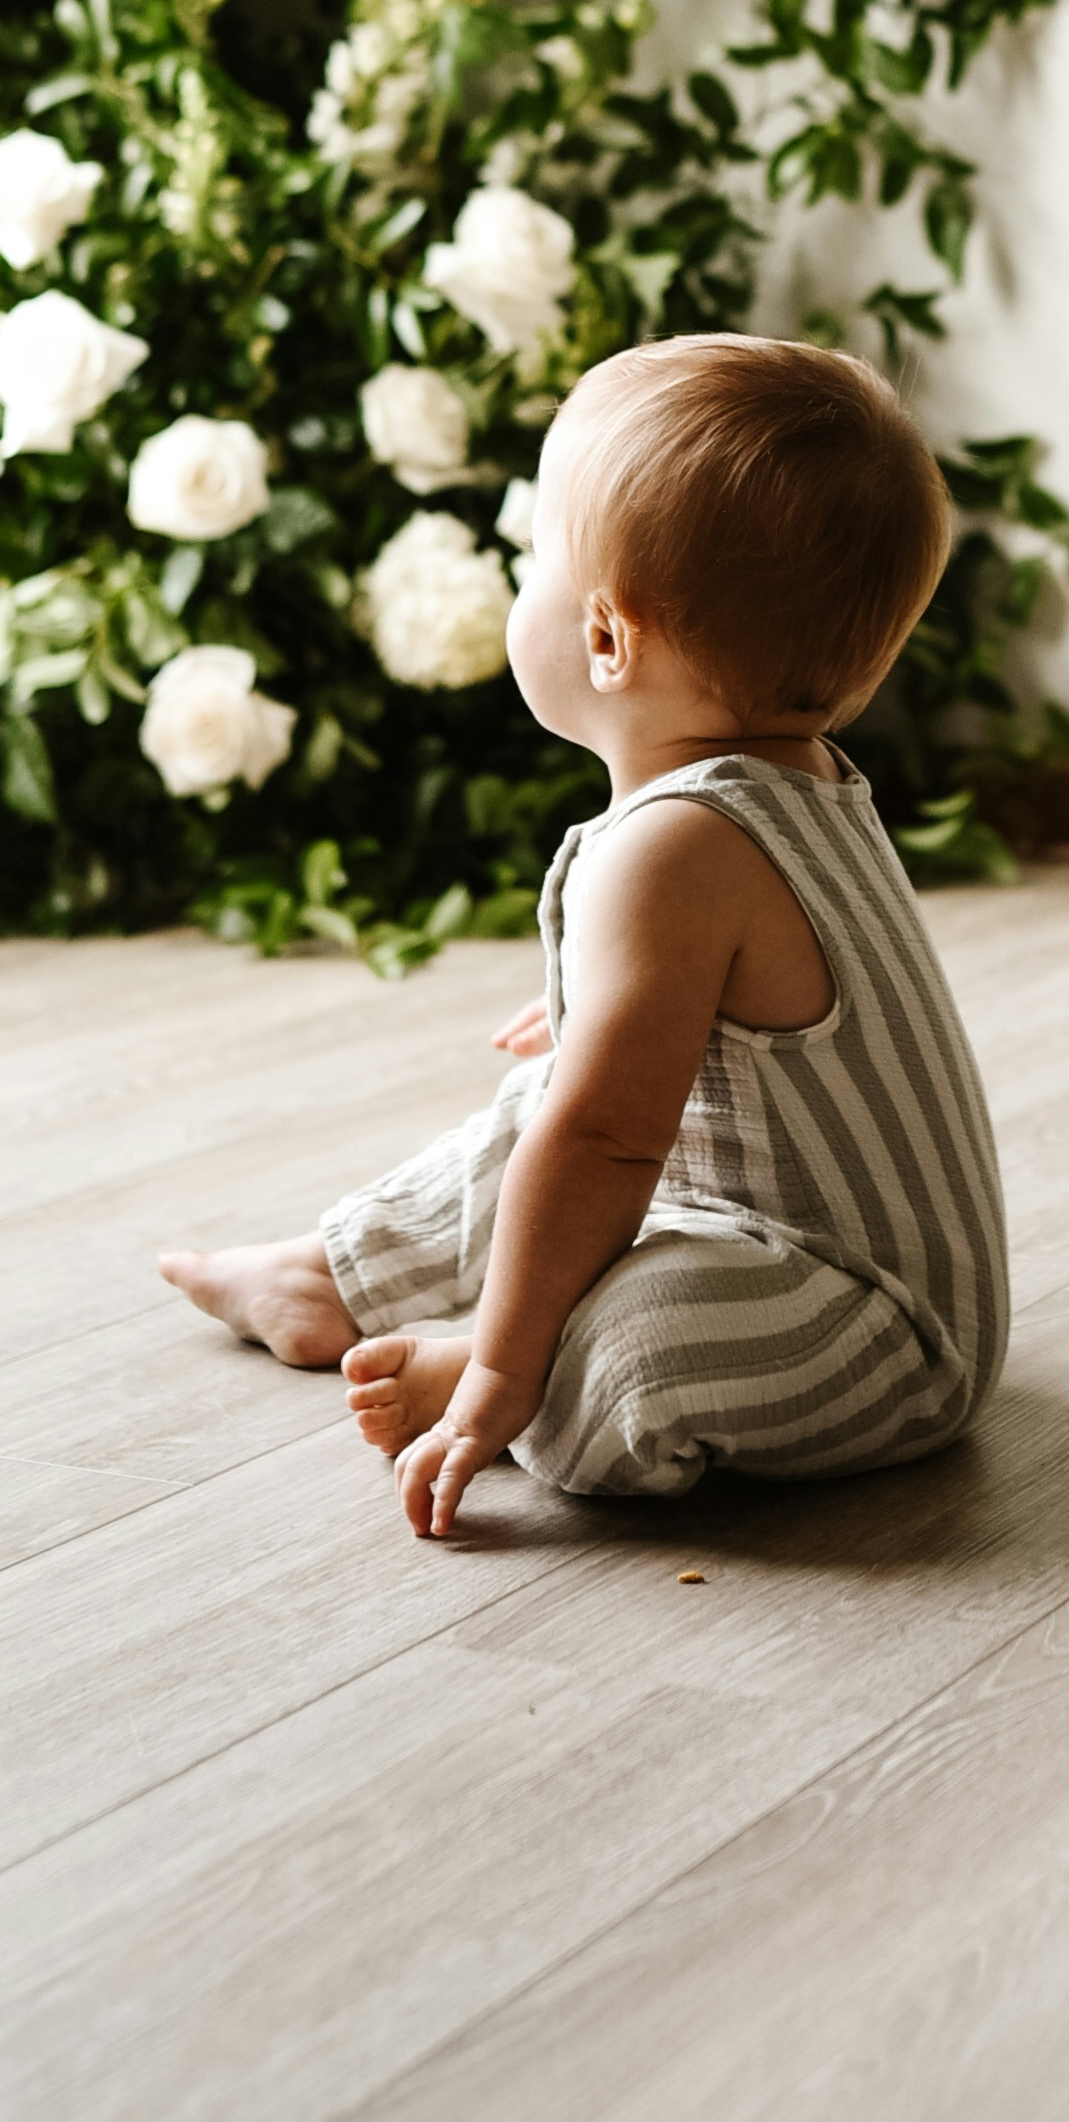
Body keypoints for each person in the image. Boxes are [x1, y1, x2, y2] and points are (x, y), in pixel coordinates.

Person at [161, 332, 1006, 1537]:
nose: (522, 584)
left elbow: (610, 1145)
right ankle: (332, 1271)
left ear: (606, 639)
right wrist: (595, 1012)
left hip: (870, 1330)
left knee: (630, 1327)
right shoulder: (798, 779)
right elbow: (760, 1004)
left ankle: (518, 1370)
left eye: (532, 561)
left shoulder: (675, 848)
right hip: (786, 1244)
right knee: (537, 1113)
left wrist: (505, 1369)